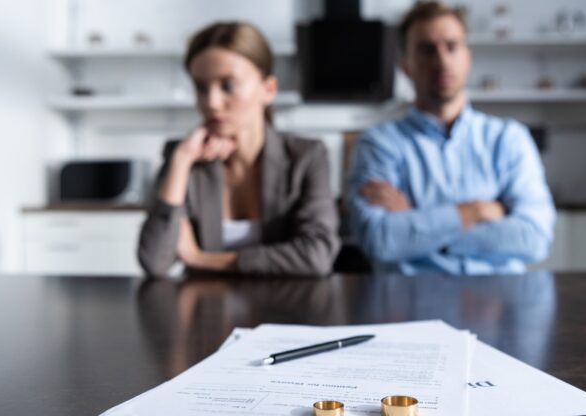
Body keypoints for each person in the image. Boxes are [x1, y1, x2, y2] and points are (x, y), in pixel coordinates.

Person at [347, 1, 556, 275]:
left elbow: (535, 237)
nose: (442, 60)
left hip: (499, 304)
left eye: (452, 46)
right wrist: (475, 212)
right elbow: (380, 240)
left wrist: (417, 226)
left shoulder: (508, 139)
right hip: (410, 303)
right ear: (405, 66)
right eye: (426, 49)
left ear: (467, 57)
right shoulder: (378, 144)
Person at [138, 22, 339, 277]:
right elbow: (154, 261)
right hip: (206, 311)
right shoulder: (184, 157)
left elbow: (317, 256)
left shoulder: (306, 157)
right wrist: (181, 160)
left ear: (268, 90)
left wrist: (201, 259)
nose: (211, 102)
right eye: (201, 88)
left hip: (283, 309)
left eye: (228, 86)